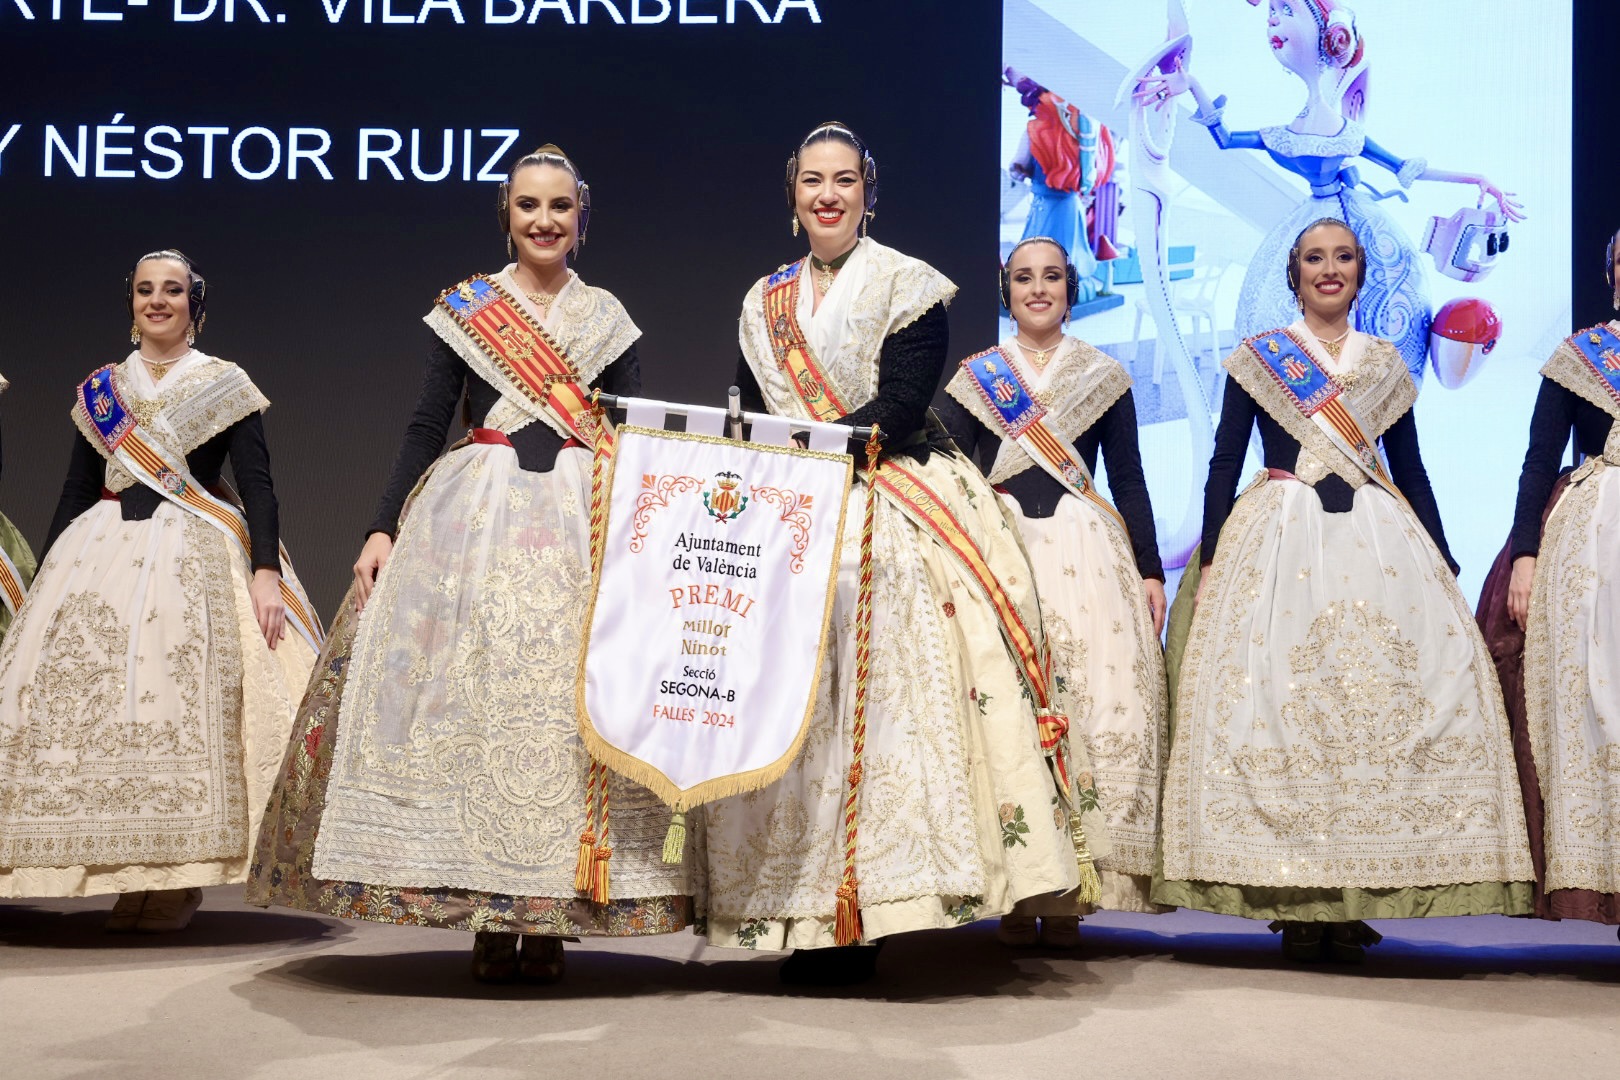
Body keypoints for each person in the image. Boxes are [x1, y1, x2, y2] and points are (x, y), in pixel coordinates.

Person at [246, 145, 691, 983]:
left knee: (560, 717)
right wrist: (382, 527)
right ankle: (486, 912)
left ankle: (551, 915)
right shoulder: (467, 310)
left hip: (581, 519)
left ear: (582, 219)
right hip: (472, 516)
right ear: (506, 215)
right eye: (528, 206)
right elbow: (426, 424)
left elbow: (631, 437)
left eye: (560, 206)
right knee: (471, 706)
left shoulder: (608, 317)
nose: (544, 221)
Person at [699, 123, 1101, 985]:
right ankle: (797, 911)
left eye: (844, 180)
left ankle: (871, 913)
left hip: (889, 496)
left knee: (881, 712)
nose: (828, 195)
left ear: (868, 192)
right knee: (793, 712)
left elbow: (902, 402)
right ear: (793, 193)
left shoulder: (910, 284)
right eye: (813, 180)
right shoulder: (763, 300)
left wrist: (805, 449)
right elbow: (747, 406)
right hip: (793, 503)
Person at [1156, 218, 1532, 962]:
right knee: (1289, 712)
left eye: (1344, 258)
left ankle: (1356, 893)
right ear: (1294, 275)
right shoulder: (1261, 358)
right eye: (1314, 259)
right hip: (1278, 537)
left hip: (1377, 540)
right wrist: (1215, 550)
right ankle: (1300, 898)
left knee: (1372, 713)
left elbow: (1410, 467)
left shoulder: (1386, 363)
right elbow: (1226, 459)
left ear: (1360, 274)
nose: (1329, 269)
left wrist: (1445, 559)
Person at [0, 250, 318, 932]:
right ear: (131, 303)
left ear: (194, 304)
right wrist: (45, 583)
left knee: (176, 703)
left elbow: (257, 485)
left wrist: (265, 569)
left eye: (172, 290)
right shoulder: (103, 391)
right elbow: (77, 489)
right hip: (101, 551)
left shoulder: (223, 381)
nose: (157, 301)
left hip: (194, 549)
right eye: (145, 290)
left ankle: (177, 882)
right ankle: (128, 878)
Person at [937, 236, 1169, 945]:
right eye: (1023, 278)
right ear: (1006, 292)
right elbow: (948, 469)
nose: (1038, 288)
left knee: (1092, 709)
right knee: (1009, 715)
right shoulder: (979, 378)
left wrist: (1150, 568)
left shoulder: (1104, 375)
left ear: (1071, 289)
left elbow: (1127, 477)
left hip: (1087, 555)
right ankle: (1021, 887)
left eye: (1051, 277)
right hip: (1003, 553)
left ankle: (1073, 894)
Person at [1134, 0, 1524, 382]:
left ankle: (1370, 397)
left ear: (1330, 36)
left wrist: (1476, 179)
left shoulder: (1342, 132)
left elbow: (1404, 167)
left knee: (1374, 309)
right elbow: (1226, 138)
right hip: (1315, 224)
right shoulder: (1287, 133)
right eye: (1272, 14)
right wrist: (1192, 85)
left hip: (1352, 224)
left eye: (1286, 11)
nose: (1273, 22)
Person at [1475, 226, 1620, 927]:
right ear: (1612, 278)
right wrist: (1526, 556)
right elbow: (1539, 459)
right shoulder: (1580, 357)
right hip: (1589, 546)